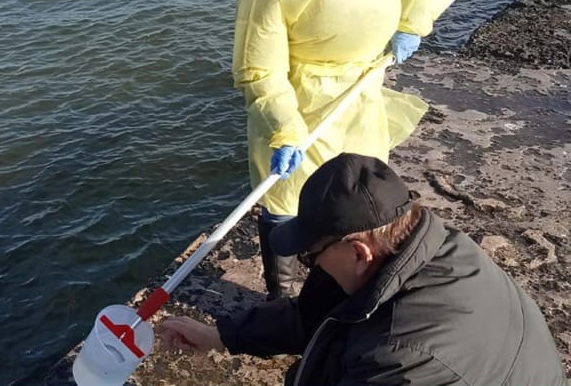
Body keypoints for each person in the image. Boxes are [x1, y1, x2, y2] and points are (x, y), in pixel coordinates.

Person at [232, 0, 454, 299]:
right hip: (297, 94)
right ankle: (283, 293)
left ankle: (357, 280)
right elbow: (258, 63)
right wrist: (285, 128)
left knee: (362, 190)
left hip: (363, 86)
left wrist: (412, 23)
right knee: (285, 197)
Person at [158, 153, 567, 386]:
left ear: (358, 252)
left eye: (310, 255)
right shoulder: (425, 249)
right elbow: (316, 316)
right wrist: (219, 336)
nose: (310, 265)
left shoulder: (400, 358)